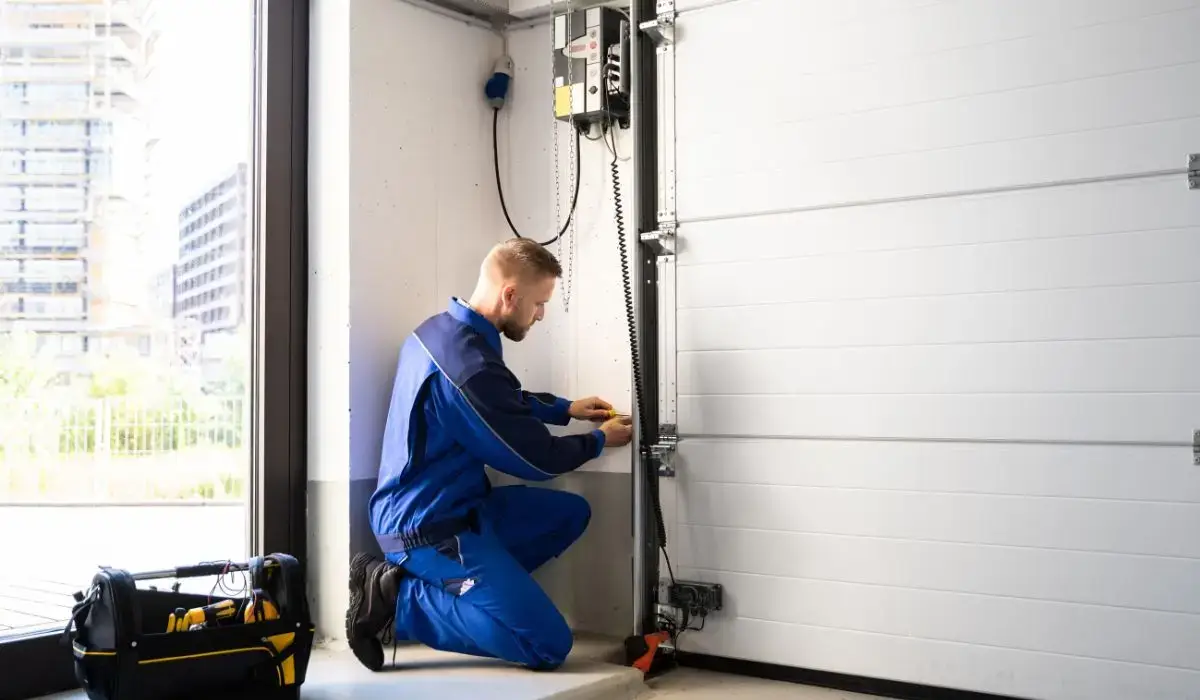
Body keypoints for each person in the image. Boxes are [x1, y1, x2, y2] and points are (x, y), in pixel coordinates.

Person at [346, 238, 635, 673]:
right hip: (425, 530)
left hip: (463, 508)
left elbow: (501, 400)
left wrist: (564, 409)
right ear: (510, 295)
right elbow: (536, 460)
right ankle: (398, 600)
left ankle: (475, 593)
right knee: (547, 644)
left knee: (569, 513)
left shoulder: (442, 332)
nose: (541, 315)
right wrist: (597, 441)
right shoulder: (467, 368)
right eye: (539, 303)